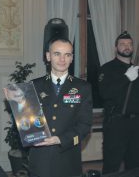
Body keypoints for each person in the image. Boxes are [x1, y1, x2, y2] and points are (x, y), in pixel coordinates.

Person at [28, 37, 93, 177]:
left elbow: (85, 126)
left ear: (71, 58)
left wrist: (59, 139)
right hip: (40, 159)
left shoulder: (82, 87)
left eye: (67, 55)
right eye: (57, 53)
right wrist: (16, 101)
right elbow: (26, 121)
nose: (62, 59)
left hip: (68, 158)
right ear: (48, 56)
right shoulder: (34, 85)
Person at [98, 31, 139, 174]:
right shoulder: (107, 69)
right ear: (116, 48)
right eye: (122, 44)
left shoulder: (137, 69)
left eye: (129, 44)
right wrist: (126, 78)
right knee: (112, 166)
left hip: (136, 125)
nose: (126, 47)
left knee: (134, 166)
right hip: (116, 125)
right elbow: (105, 93)